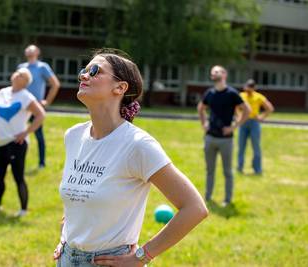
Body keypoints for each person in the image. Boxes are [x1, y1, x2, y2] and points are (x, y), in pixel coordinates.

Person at [53, 49, 208, 267]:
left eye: (95, 71)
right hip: (66, 259)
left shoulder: (137, 145)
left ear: (120, 87)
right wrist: (65, 237)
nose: (84, 76)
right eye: (83, 71)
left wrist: (142, 256)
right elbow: (76, 198)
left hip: (110, 262)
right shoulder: (74, 136)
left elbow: (194, 208)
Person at [0, 68, 45, 217]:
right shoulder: (2, 92)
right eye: (16, 72)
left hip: (16, 143)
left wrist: (26, 132)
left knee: (18, 177)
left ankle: (23, 209)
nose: (16, 74)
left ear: (26, 82)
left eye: (21, 75)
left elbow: (41, 115)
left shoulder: (26, 97)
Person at [197, 65, 250, 206]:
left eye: (217, 71)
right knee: (209, 170)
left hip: (226, 140)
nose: (215, 73)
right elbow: (200, 108)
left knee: (227, 171)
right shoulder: (210, 93)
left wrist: (234, 126)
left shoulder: (232, 93)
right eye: (213, 72)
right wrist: (204, 123)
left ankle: (227, 199)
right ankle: (207, 197)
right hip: (210, 137)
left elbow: (247, 110)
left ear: (224, 74)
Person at [17, 45, 60, 169]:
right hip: (22, 107)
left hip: (35, 108)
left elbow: (55, 84)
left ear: (37, 52)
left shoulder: (42, 67)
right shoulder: (21, 68)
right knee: (19, 133)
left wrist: (47, 101)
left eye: (32, 49)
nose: (29, 51)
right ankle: (17, 161)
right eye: (28, 49)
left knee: (39, 135)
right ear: (25, 52)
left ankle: (41, 163)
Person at [237, 79, 274, 175]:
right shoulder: (241, 96)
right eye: (247, 87)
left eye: (250, 88)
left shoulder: (258, 97)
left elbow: (270, 108)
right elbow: (235, 107)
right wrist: (238, 116)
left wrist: (261, 117)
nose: (248, 90)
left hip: (254, 123)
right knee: (241, 146)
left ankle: (257, 169)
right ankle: (239, 168)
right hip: (243, 122)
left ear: (254, 88)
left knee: (256, 146)